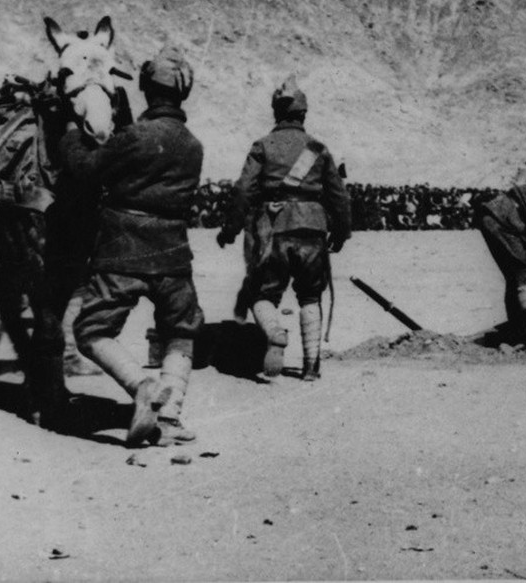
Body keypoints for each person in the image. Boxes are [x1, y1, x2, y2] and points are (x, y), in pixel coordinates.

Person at [68, 49, 205, 447]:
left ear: (146, 89)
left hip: (122, 249)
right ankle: (171, 417)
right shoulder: (193, 145)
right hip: (174, 253)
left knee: (91, 330)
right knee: (180, 330)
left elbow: (86, 171)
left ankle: (141, 385)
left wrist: (72, 135)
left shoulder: (134, 136)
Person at [219, 77, 351, 382]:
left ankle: (275, 332)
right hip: (313, 229)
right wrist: (341, 232)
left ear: (275, 113)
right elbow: (339, 196)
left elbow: (242, 192)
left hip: (274, 229)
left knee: (262, 294)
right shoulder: (318, 147)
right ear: (304, 114)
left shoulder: (263, 145)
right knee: (310, 297)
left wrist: (230, 229)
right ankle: (310, 366)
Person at [472, 177, 526, 343]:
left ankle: (519, 324)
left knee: (515, 275)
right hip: (501, 219)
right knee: (522, 271)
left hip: (496, 216)